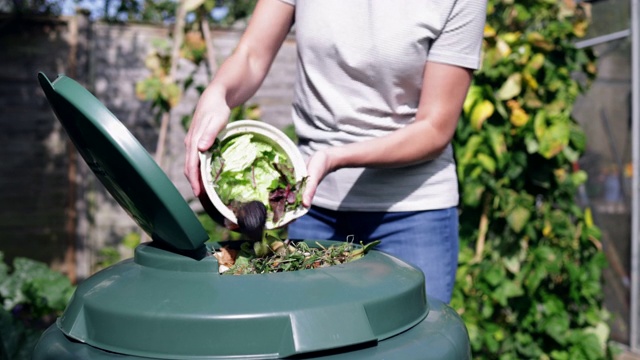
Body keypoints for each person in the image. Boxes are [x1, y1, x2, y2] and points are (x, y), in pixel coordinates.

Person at [185, 0, 487, 304]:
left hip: (413, 213)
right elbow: (251, 56)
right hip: (315, 211)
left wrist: (334, 157)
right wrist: (218, 92)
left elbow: (434, 128)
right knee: (316, 341)